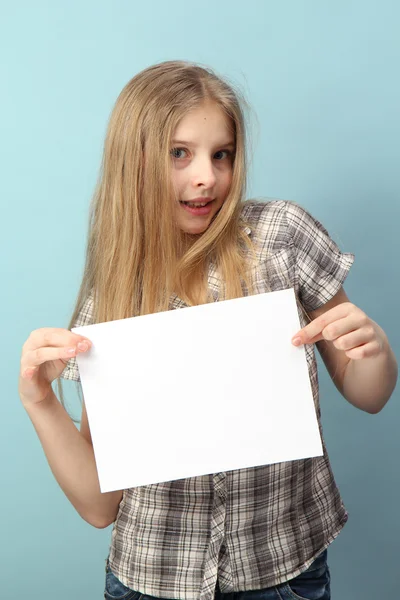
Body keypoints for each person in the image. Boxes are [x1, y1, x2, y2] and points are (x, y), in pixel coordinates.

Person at [18, 61, 397, 600]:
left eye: (221, 154)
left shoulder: (280, 237)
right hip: (154, 577)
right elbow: (100, 507)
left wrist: (375, 351)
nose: (207, 176)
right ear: (134, 161)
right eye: (180, 153)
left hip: (284, 567)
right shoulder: (114, 295)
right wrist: (41, 402)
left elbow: (369, 394)